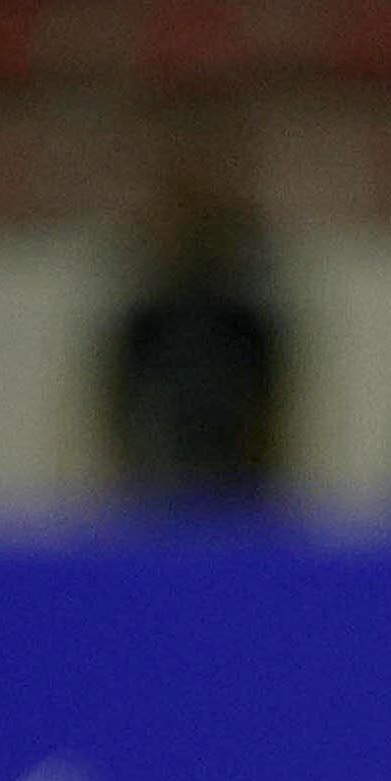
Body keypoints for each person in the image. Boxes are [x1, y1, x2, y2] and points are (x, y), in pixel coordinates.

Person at [94, 109, 289, 514]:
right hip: (155, 492)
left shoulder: (246, 318)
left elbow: (275, 416)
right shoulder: (147, 319)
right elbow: (114, 412)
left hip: (240, 494)